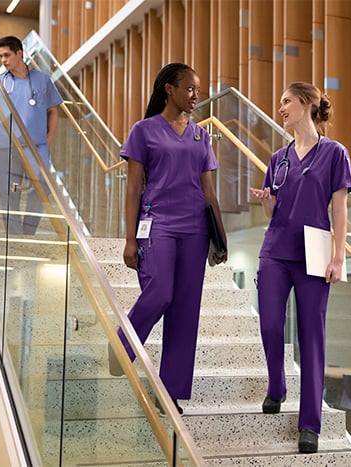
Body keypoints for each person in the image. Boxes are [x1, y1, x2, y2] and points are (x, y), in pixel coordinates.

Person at [110, 63, 227, 415]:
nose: (196, 96)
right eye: (190, 89)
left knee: (185, 310)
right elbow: (133, 187)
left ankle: (171, 391)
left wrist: (219, 239)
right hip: (158, 224)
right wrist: (130, 239)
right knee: (160, 292)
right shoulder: (143, 131)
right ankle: (122, 346)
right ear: (169, 89)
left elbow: (209, 191)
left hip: (195, 230)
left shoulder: (200, 136)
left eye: (198, 90)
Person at [249, 82, 351, 454]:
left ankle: (309, 424)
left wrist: (338, 255)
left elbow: (339, 209)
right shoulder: (277, 158)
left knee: (312, 338)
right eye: (279, 103)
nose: (280, 108)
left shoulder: (334, 153)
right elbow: (271, 210)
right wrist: (266, 201)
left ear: (307, 104)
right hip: (275, 250)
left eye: (286, 102)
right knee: (268, 325)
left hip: (314, 253)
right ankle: (276, 385)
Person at [0, 35, 63, 235]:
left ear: (19, 53)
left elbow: (53, 111)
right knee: (9, 191)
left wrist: (49, 140)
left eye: (7, 55)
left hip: (37, 146)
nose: (3, 60)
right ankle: (14, 236)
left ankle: (29, 230)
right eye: (0, 56)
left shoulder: (42, 80)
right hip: (7, 146)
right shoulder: (0, 83)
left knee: (42, 185)